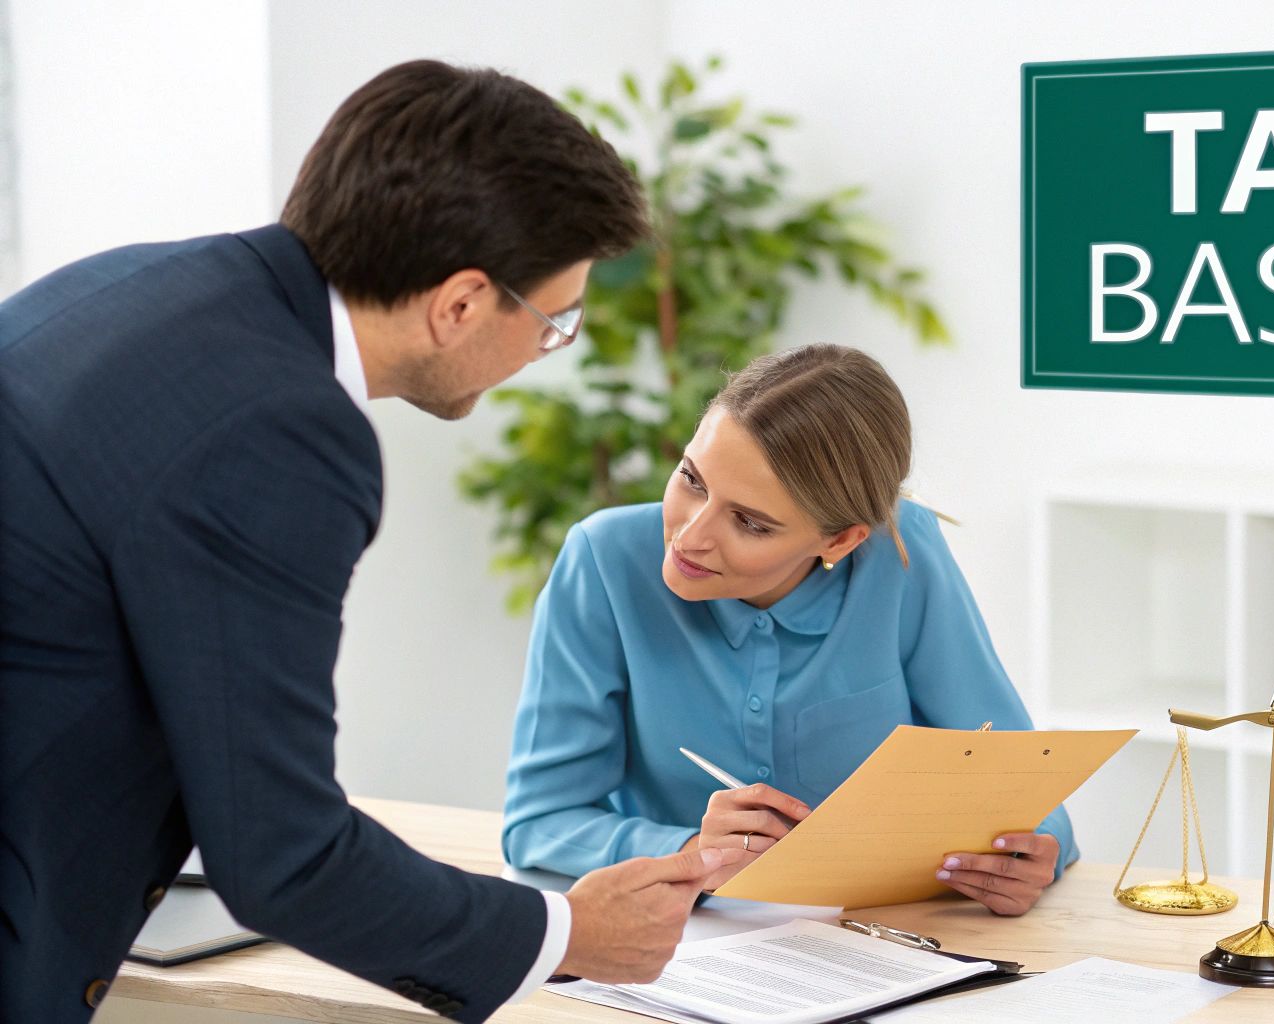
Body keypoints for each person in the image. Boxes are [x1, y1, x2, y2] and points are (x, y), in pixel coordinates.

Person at [0, 61, 729, 1024]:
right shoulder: (282, 431)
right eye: (555, 323)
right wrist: (565, 935)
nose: (545, 352)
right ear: (462, 302)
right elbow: (281, 854)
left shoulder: (130, 282)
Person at [502, 344, 1075, 917]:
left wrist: (1029, 859)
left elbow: (1027, 783)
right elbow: (538, 821)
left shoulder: (901, 552)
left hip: (888, 937)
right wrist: (689, 852)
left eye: (750, 522)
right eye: (691, 479)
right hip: (683, 948)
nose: (690, 536)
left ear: (841, 541)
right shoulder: (602, 559)